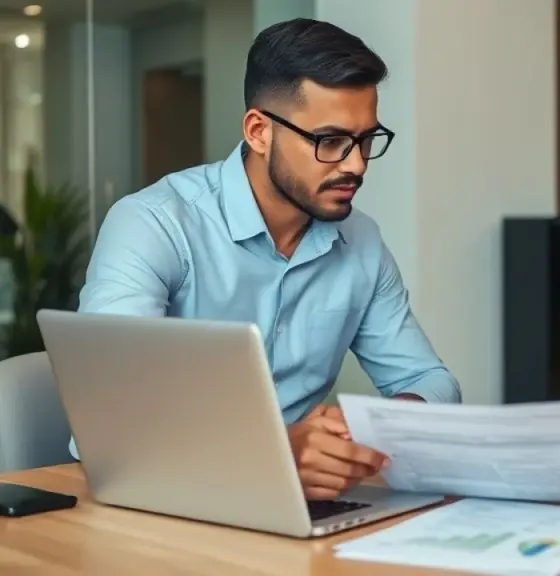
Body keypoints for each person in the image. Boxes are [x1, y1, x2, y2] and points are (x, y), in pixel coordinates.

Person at [72, 19, 462, 500]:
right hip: (152, 494)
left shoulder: (360, 240)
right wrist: (279, 453)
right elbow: (112, 417)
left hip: (297, 504)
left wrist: (378, 425)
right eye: (331, 141)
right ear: (259, 131)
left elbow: (430, 380)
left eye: (365, 140)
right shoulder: (154, 225)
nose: (357, 164)